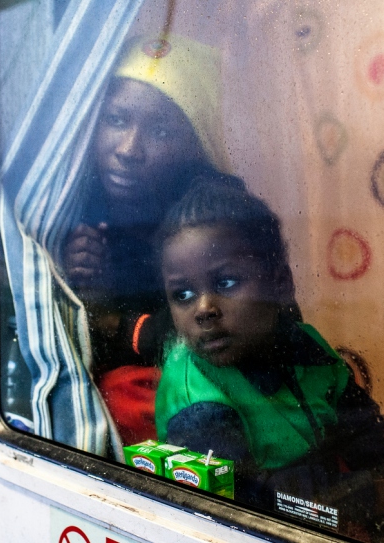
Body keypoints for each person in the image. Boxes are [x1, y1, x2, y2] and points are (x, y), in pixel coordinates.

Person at [153, 182, 384, 539]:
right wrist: (345, 497)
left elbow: (359, 425)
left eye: (227, 282)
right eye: (183, 294)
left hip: (316, 496)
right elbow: (242, 499)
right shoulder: (197, 401)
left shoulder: (305, 346)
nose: (204, 309)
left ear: (279, 284)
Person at [61, 33, 239, 445]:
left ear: (194, 145)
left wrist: (109, 318)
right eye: (117, 120)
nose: (129, 149)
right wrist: (84, 286)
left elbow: (238, 333)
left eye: (159, 131)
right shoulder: (73, 204)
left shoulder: (216, 215)